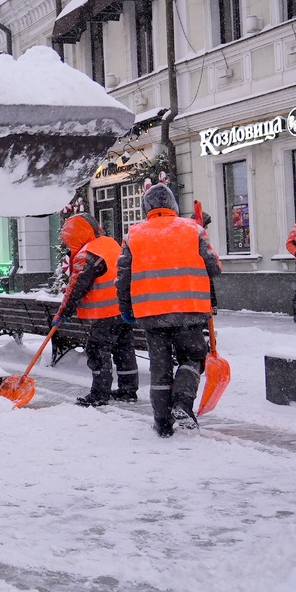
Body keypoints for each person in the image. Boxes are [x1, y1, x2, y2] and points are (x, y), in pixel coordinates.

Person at [116, 184, 221, 437]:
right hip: (190, 309)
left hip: (152, 312)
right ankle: (183, 403)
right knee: (192, 357)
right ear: (173, 205)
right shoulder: (192, 230)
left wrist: (125, 308)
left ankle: (162, 423)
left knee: (159, 366)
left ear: (146, 208)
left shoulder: (134, 235)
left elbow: (122, 277)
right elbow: (214, 267)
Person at [52, 214, 139, 407]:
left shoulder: (87, 254)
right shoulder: (110, 244)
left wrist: (62, 313)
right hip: (123, 309)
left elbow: (76, 288)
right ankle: (128, 390)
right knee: (124, 349)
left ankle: (100, 393)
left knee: (97, 351)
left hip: (104, 313)